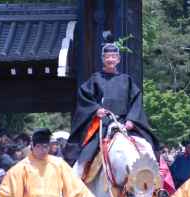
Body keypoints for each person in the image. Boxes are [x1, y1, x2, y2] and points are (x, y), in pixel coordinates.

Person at [64, 31, 158, 168]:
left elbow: (136, 101)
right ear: (103, 59)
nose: (110, 59)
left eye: (114, 56)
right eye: (107, 57)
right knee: (84, 158)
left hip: (125, 125)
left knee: (147, 147)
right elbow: (84, 97)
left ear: (118, 59)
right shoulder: (95, 79)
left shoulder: (126, 80)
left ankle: (154, 183)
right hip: (102, 125)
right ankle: (77, 182)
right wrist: (96, 110)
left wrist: (132, 119)